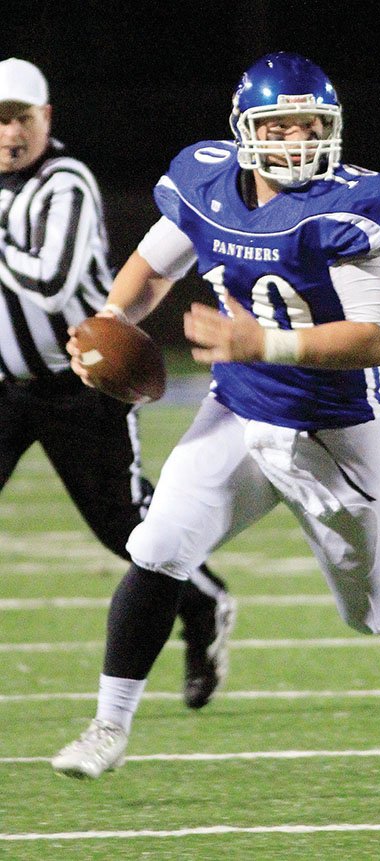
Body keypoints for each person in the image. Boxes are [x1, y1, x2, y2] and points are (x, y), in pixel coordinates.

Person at [52, 51, 380, 779]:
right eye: (281, 127)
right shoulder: (207, 182)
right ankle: (107, 725)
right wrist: (109, 319)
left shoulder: (348, 206)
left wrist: (262, 339)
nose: (299, 141)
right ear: (247, 131)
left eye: (311, 125)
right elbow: (155, 267)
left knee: (374, 608)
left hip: (336, 430)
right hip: (240, 409)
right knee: (157, 548)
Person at [0, 56, 235, 711]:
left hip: (79, 384)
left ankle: (204, 603)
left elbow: (50, 279)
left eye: (19, 117)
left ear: (45, 118)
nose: (8, 132)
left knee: (128, 530)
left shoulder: (64, 182)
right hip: (3, 385)